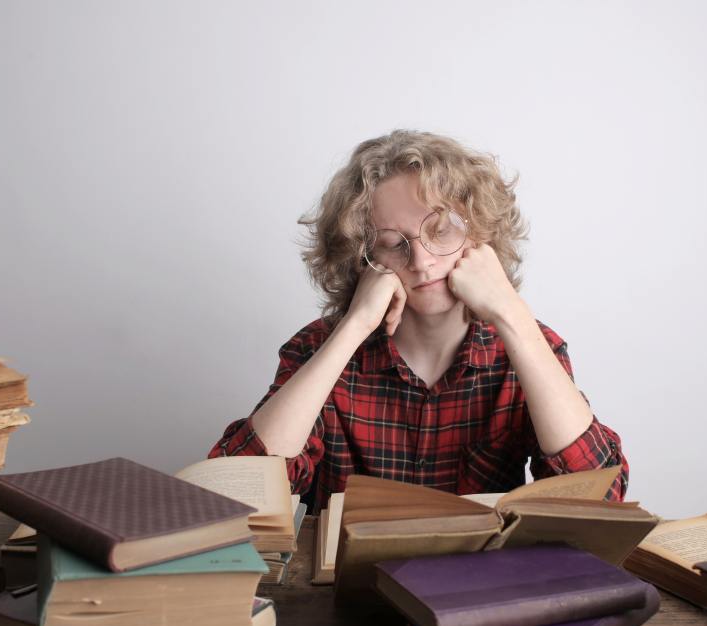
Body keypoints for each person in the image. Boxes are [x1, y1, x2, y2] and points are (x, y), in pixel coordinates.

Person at [209, 130, 628, 510]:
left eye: (442, 230)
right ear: (363, 258)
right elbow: (238, 494)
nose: (423, 261)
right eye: (393, 244)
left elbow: (598, 497)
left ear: (481, 235)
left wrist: (511, 312)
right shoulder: (317, 348)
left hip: (480, 587)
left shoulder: (526, 347)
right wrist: (354, 325)